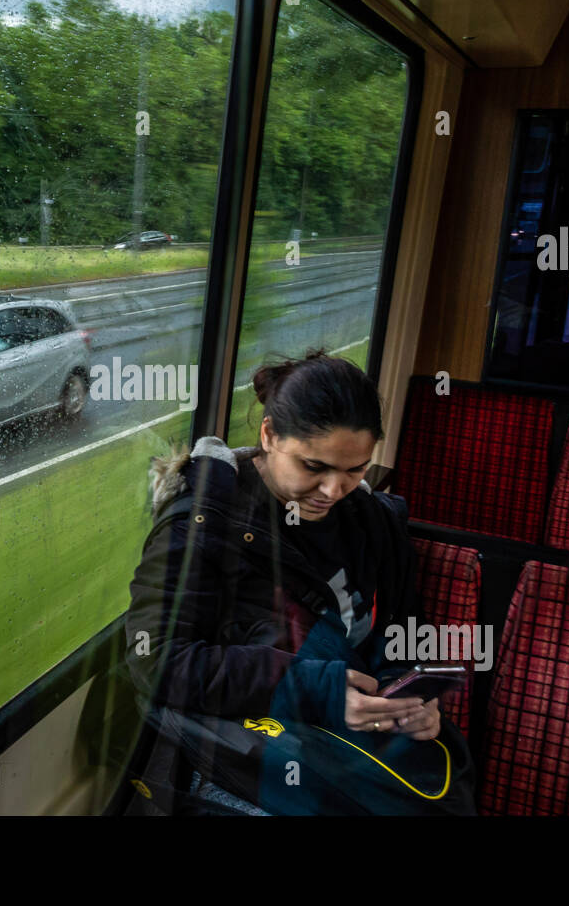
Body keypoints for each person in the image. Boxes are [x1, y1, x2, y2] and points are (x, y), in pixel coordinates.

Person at [124, 349, 476, 815]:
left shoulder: (374, 523)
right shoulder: (205, 525)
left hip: (355, 743)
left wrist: (407, 695)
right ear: (269, 435)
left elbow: (402, 629)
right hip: (259, 752)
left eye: (355, 470)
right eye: (314, 467)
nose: (334, 491)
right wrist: (316, 690)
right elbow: (159, 660)